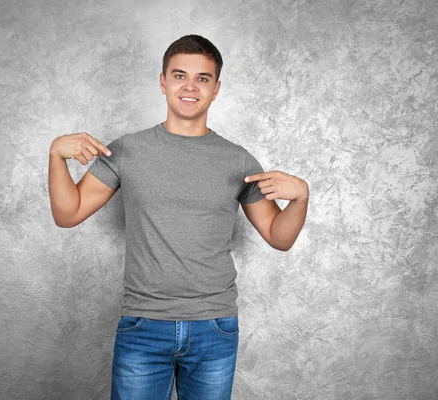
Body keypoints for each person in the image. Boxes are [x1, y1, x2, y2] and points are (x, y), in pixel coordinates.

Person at [48, 34, 308, 400]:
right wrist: (56, 156)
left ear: (216, 89)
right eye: (180, 75)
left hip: (214, 326)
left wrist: (301, 199)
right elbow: (67, 213)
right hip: (143, 323)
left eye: (202, 78)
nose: (190, 86)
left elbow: (279, 237)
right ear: (163, 81)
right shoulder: (126, 151)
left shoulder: (239, 160)